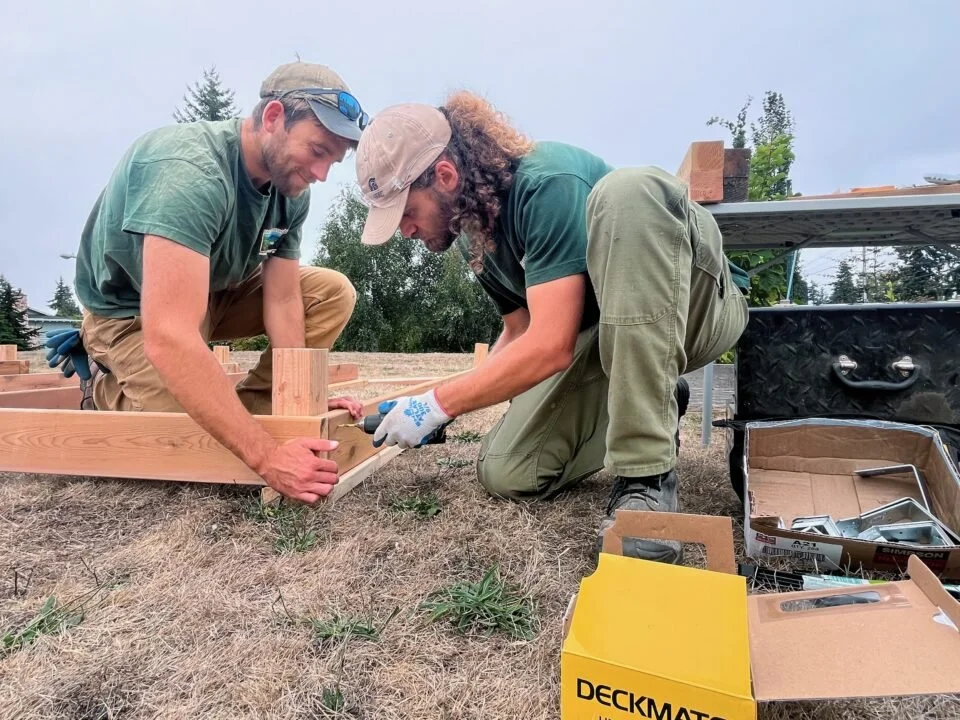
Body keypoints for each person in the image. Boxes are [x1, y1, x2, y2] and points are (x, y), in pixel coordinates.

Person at [352, 94, 750, 562]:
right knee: (507, 471)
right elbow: (520, 333)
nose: (405, 231)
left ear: (444, 177)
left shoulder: (549, 183)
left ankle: (646, 477)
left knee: (630, 190)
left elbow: (552, 346)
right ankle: (662, 396)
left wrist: (439, 404)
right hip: (612, 336)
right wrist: (433, 405)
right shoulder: (477, 234)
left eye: (406, 213)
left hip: (695, 304)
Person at [48, 61, 369, 504]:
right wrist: (267, 458)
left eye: (333, 161)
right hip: (134, 311)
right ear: (274, 118)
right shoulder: (189, 173)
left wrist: (298, 402)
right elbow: (170, 336)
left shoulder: (290, 192)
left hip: (215, 291)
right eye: (317, 151)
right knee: (185, 436)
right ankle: (106, 389)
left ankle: (254, 410)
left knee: (331, 292)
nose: (322, 174)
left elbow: (284, 301)